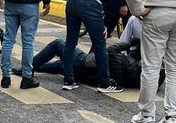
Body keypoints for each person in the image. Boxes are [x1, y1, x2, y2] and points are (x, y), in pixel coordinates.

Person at [61, 0, 140, 93]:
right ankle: (104, 82)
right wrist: (105, 23)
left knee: (70, 41)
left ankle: (68, 80)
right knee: (99, 43)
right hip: (90, 1)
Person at [12, 38, 165, 89]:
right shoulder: (133, 80)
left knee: (58, 44)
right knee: (62, 65)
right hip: (83, 75)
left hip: (82, 62)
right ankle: (32, 67)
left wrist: (130, 43)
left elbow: (109, 51)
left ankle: (28, 69)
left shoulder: (127, 65)